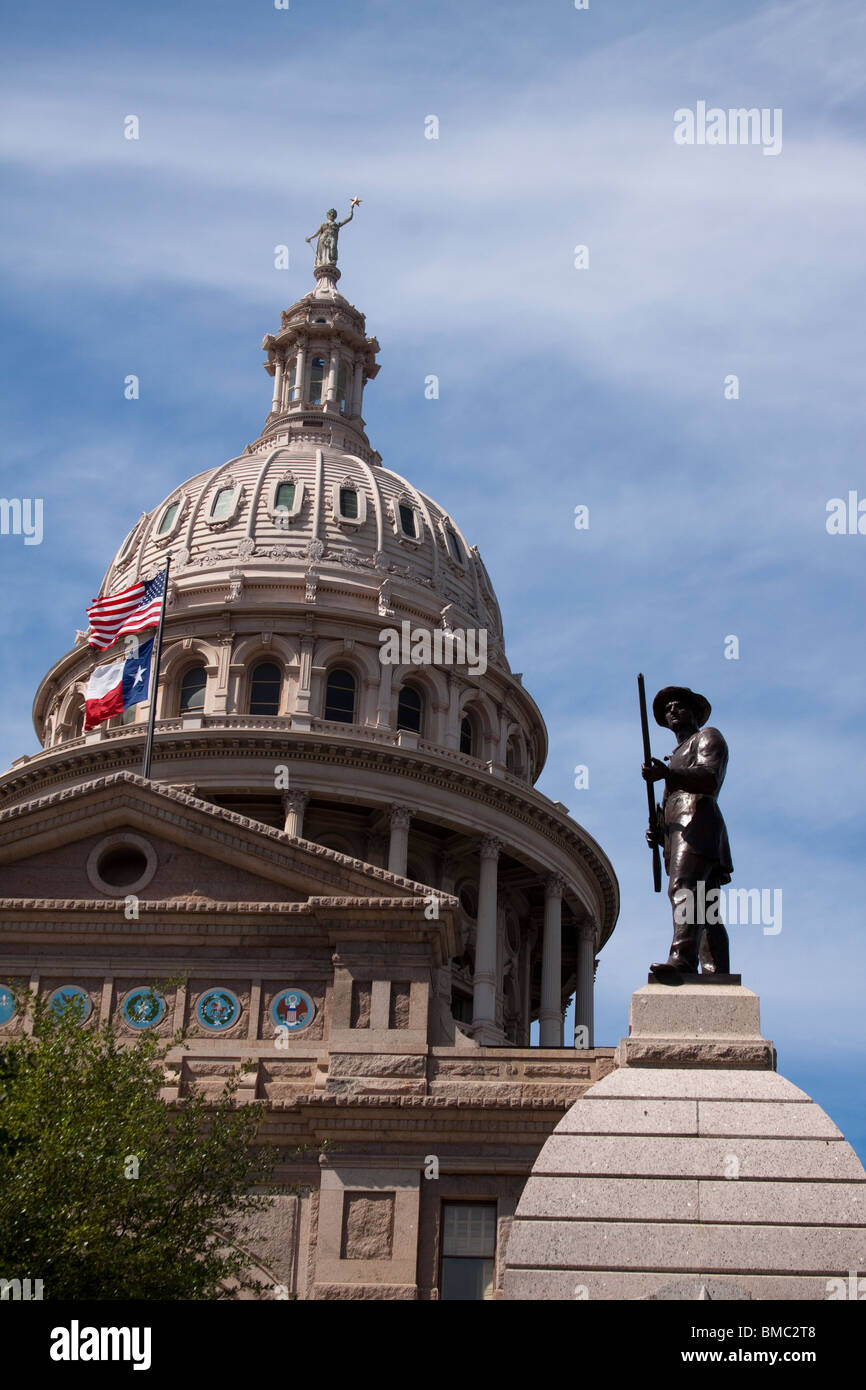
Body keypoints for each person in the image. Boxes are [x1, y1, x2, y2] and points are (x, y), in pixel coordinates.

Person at [642, 685, 733, 976]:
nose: (672, 711)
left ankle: (682, 958)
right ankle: (715, 971)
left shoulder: (707, 737)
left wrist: (667, 774)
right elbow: (670, 804)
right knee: (707, 911)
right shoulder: (674, 755)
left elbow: (709, 778)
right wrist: (658, 831)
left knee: (683, 889)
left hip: (698, 827)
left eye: (678, 705)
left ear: (694, 711)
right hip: (680, 834)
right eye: (667, 709)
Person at [306, 202, 358, 267]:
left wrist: (351, 208)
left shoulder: (337, 224)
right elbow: (317, 233)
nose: (332, 215)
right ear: (328, 215)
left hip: (332, 238)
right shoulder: (323, 225)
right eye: (330, 214)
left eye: (333, 214)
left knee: (332, 247)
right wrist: (310, 238)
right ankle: (323, 262)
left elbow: (349, 218)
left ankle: (331, 261)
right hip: (323, 239)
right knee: (323, 253)